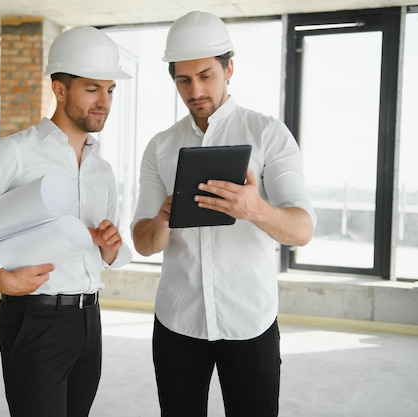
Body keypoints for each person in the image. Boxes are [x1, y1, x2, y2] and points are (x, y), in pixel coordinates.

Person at [0, 26, 132, 417]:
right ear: (59, 89)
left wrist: (110, 248)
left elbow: (108, 252)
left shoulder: (102, 170)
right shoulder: (15, 153)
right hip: (35, 321)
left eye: (110, 90)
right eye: (92, 89)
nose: (104, 101)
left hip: (90, 320)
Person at [131, 11, 316, 417]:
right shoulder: (160, 148)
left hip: (250, 322)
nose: (195, 89)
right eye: (183, 79)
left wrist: (256, 209)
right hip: (178, 323)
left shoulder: (269, 134)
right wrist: (163, 218)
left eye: (206, 76)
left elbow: (301, 230)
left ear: (229, 68)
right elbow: (143, 243)